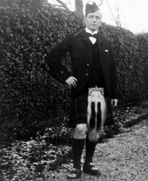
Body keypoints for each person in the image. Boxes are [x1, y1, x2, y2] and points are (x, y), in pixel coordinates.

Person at [45, 1, 118, 179]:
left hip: (99, 92)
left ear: (101, 21)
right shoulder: (73, 38)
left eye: (97, 18)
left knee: (93, 130)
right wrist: (65, 77)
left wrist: (114, 93)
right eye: (91, 17)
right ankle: (76, 167)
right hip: (81, 91)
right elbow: (51, 58)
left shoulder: (106, 41)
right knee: (80, 128)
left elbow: (112, 69)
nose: (94, 20)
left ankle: (88, 164)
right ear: (85, 19)